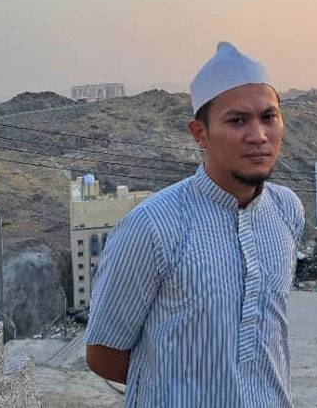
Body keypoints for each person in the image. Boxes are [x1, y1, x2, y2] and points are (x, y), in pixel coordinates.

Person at [84, 42, 305, 407]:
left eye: (268, 117)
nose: (258, 136)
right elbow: (103, 353)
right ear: (199, 134)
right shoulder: (153, 226)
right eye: (237, 121)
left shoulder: (286, 210)